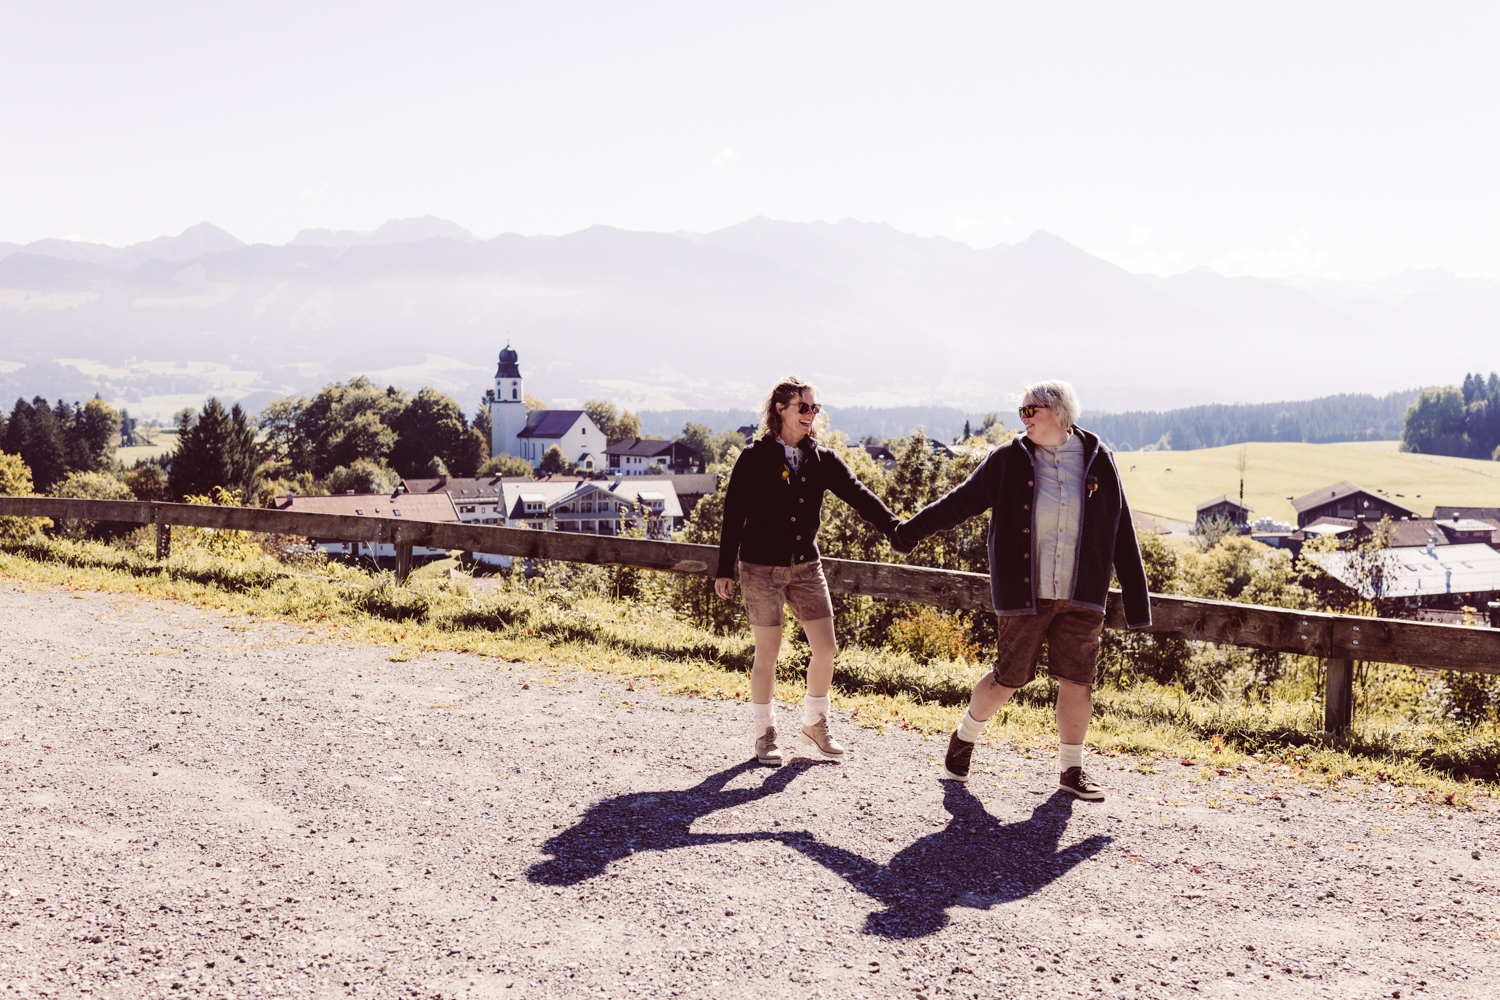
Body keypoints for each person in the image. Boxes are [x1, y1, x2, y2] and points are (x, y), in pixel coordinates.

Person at [890, 380, 1151, 800]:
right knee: (1007, 679)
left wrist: (1138, 603)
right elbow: (959, 502)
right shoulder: (1008, 460)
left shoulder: (1099, 460)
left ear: (1060, 413)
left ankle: (1072, 770)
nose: (1024, 419)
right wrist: (908, 533)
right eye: (1022, 412)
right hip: (1025, 594)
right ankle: (965, 736)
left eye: (1032, 411)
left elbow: (1121, 532)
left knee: (1078, 681)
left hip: (1081, 594)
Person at [715, 376, 900, 767]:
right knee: (768, 654)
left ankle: (816, 722)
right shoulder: (754, 457)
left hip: (806, 568)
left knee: (827, 649)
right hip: (760, 569)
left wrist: (895, 527)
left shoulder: (823, 459)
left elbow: (859, 496)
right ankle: (765, 733)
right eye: (803, 407)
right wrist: (723, 568)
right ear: (780, 409)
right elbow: (733, 514)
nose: (810, 414)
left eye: (814, 408)